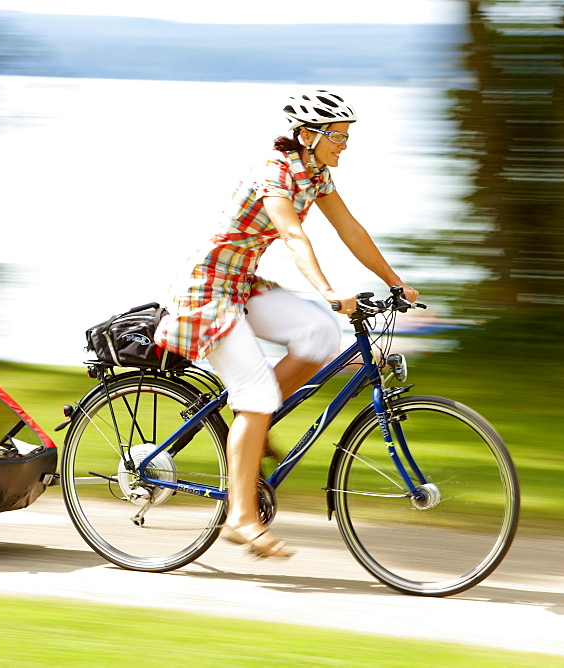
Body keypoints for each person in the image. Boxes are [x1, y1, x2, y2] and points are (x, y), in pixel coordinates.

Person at [156, 90, 419, 559]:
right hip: (208, 291)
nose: (344, 145)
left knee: (319, 333)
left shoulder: (315, 175)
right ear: (307, 136)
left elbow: (350, 230)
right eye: (337, 136)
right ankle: (240, 517)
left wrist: (395, 282)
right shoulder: (273, 172)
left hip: (242, 283)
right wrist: (329, 290)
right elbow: (293, 235)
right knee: (254, 395)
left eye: (346, 136)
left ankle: (256, 424)